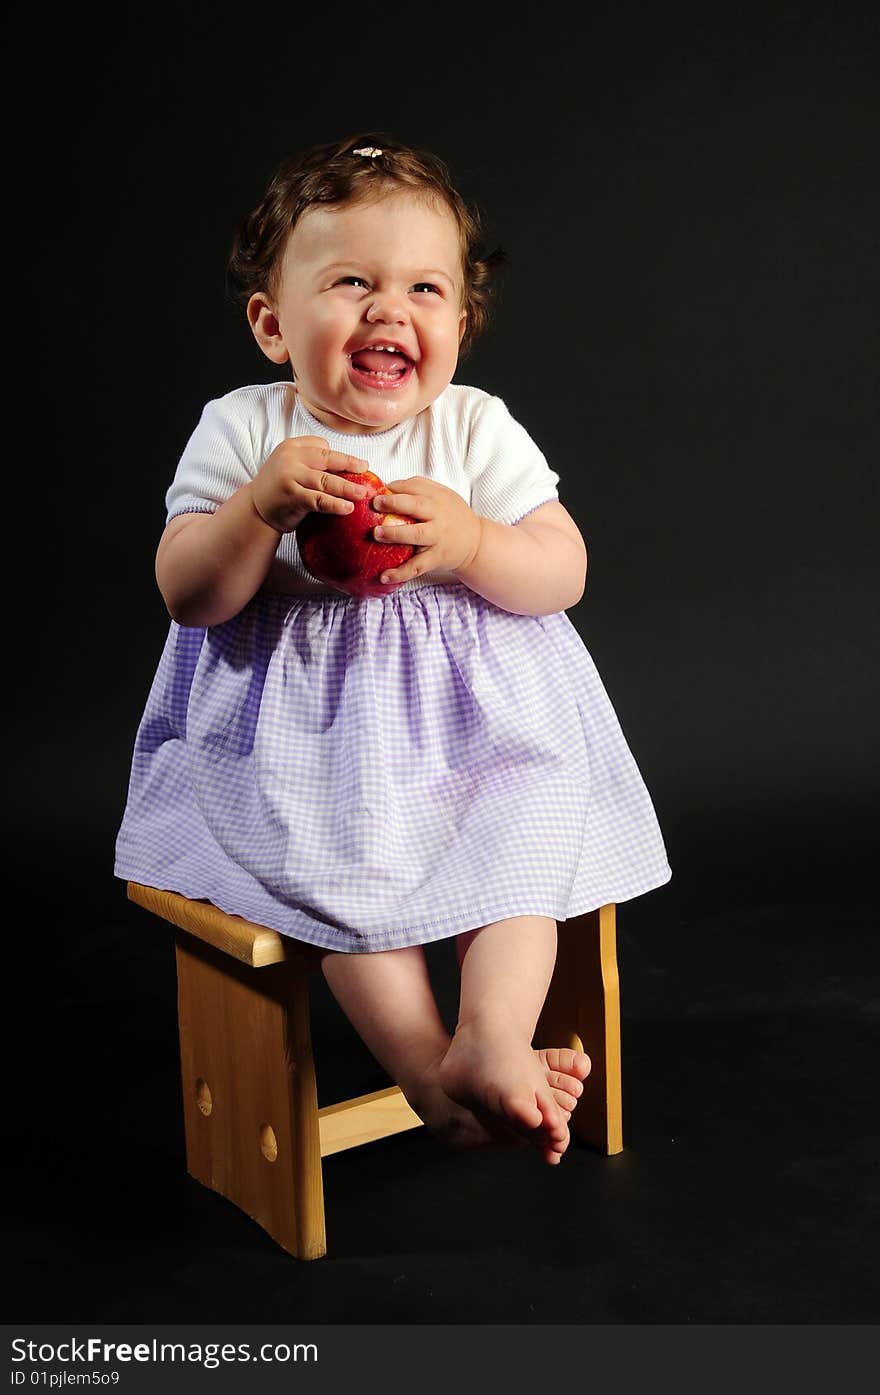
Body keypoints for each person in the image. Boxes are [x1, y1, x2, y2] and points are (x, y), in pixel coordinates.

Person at [115, 132, 671, 1166]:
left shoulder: (470, 430)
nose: (387, 309)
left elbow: (562, 571)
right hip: (305, 740)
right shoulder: (245, 432)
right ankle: (428, 1069)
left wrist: (469, 542)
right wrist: (255, 510)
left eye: (423, 287)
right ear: (273, 324)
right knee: (336, 881)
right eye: (350, 281)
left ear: (459, 322)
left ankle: (492, 1034)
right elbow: (189, 596)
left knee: (525, 846)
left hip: (480, 734)